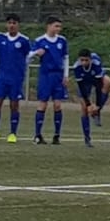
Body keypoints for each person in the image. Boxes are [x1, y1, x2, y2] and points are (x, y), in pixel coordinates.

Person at [0, 13, 32, 142]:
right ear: (6, 25)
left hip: (16, 79)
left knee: (14, 105)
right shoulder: (0, 37)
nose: (12, 25)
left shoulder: (24, 40)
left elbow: (29, 55)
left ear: (18, 25)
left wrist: (22, 66)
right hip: (2, 78)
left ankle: (13, 133)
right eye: (9, 23)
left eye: (14, 23)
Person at [30, 16, 70, 145]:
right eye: (56, 26)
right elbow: (28, 56)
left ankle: (56, 135)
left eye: (60, 26)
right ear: (49, 26)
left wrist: (66, 75)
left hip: (58, 76)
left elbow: (66, 58)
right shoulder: (40, 40)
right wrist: (36, 53)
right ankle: (37, 135)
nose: (58, 29)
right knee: (43, 103)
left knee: (57, 104)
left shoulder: (62, 40)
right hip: (46, 75)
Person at [71, 49, 110, 146]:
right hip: (84, 83)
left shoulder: (96, 64)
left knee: (108, 81)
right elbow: (81, 87)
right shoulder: (77, 67)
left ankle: (97, 112)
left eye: (86, 60)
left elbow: (98, 86)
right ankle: (87, 138)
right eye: (82, 60)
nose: (84, 62)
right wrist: (88, 104)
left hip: (94, 80)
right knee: (84, 108)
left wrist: (97, 104)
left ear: (90, 59)